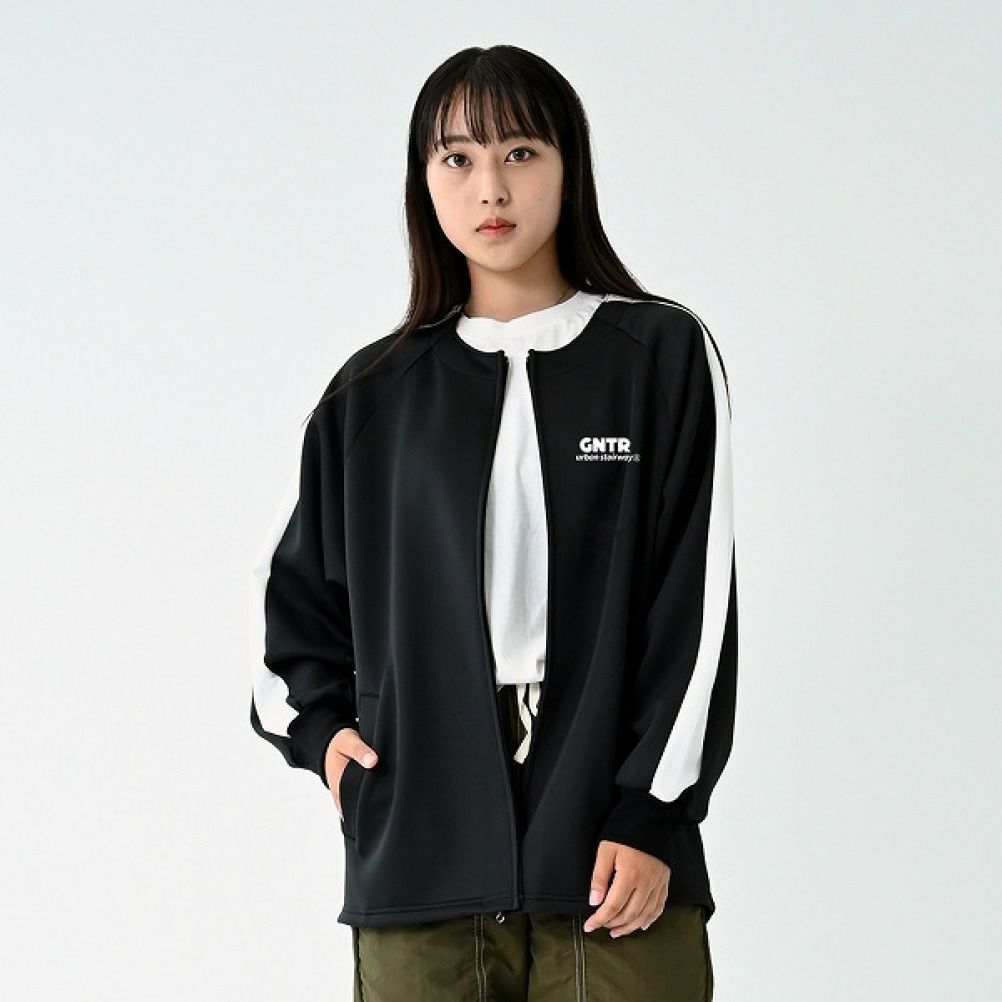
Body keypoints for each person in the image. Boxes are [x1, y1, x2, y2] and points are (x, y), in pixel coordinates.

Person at [249, 43, 737, 1002]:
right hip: (418, 853)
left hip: (610, 843)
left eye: (520, 152)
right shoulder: (371, 394)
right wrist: (329, 747)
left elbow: (699, 605)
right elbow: (290, 617)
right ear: (423, 180)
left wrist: (652, 810)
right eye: (457, 158)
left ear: (568, 166)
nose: (490, 188)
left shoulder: (657, 354)